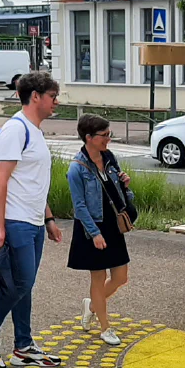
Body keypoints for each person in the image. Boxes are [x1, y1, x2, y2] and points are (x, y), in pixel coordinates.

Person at [0, 71, 66, 368]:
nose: (55, 102)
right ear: (35, 96)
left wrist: (48, 218)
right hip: (14, 221)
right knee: (19, 283)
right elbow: (1, 179)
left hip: (33, 221)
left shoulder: (34, 130)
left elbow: (34, 182)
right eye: (52, 96)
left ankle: (23, 346)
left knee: (25, 284)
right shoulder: (16, 130)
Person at [66, 114, 134, 346]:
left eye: (108, 134)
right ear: (89, 137)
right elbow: (80, 206)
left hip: (113, 224)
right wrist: (94, 233)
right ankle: (105, 328)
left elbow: (118, 192)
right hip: (91, 227)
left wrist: (125, 185)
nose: (108, 139)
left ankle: (93, 305)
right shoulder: (76, 169)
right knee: (98, 277)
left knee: (121, 277)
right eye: (104, 136)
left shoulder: (109, 158)